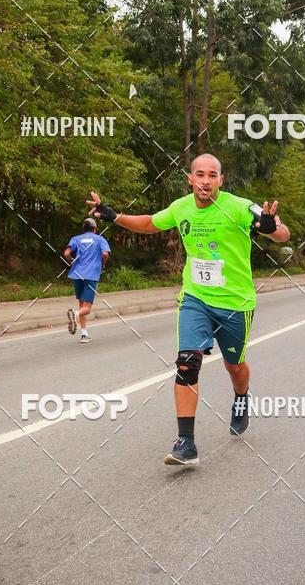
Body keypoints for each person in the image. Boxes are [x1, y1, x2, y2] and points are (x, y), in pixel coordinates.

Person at [86, 153, 290, 466]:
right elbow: (150, 223)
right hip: (195, 298)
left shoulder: (238, 206)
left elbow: (281, 232)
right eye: (199, 174)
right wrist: (114, 216)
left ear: (221, 180)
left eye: (212, 175)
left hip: (236, 303)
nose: (205, 180)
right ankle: (187, 443)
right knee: (186, 363)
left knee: (235, 366)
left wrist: (269, 227)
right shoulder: (181, 207)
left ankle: (241, 398)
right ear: (190, 179)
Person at [63, 218, 110, 343]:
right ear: (94, 229)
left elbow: (66, 253)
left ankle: (84, 334)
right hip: (91, 275)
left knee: (81, 305)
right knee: (87, 308)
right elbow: (105, 254)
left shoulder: (76, 239)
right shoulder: (100, 239)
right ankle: (75, 314)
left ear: (84, 229)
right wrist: (103, 264)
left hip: (77, 274)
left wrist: (71, 260)